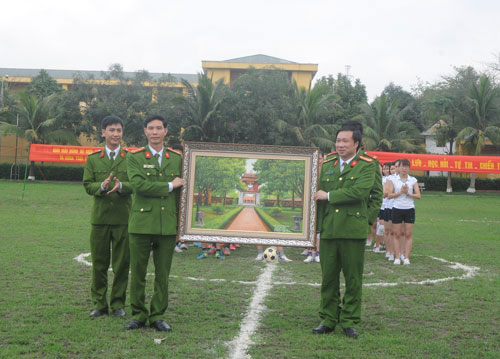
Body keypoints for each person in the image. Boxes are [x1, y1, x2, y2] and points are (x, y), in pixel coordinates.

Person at [313, 121, 382, 339]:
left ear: (357, 144)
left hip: (353, 229)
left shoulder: (368, 164)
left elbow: (365, 193)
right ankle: (328, 318)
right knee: (329, 277)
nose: (340, 145)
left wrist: (365, 221)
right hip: (330, 229)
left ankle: (350, 320)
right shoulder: (329, 162)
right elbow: (316, 193)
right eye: (338, 141)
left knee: (353, 278)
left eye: (345, 141)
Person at [125, 114, 184, 332]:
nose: (155, 132)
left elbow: (183, 195)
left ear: (166, 131)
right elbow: (139, 186)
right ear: (145, 131)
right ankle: (139, 314)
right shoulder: (135, 158)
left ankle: (158, 315)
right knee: (138, 272)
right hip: (141, 224)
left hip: (167, 225)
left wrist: (182, 224)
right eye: (151, 128)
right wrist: (169, 185)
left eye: (159, 128)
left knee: (162, 274)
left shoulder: (177, 159)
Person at [83, 115, 132, 318]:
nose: (115, 134)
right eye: (111, 130)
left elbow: (136, 184)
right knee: (99, 264)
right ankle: (99, 304)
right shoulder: (93, 159)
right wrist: (101, 187)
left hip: (123, 219)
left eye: (119, 130)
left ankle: (118, 303)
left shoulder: (131, 158)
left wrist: (122, 186)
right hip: (100, 219)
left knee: (122, 265)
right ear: (103, 132)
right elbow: (87, 184)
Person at [386, 159, 421, 265]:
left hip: (409, 209)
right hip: (397, 208)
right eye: (402, 166)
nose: (404, 169)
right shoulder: (393, 180)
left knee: (408, 234)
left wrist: (408, 193)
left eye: (406, 166)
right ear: (399, 168)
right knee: (396, 234)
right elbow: (389, 195)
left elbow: (418, 196)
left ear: (409, 168)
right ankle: (397, 257)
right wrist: (400, 192)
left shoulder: (413, 180)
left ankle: (406, 258)